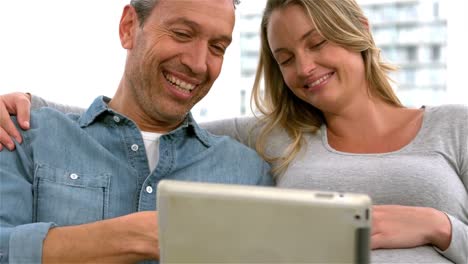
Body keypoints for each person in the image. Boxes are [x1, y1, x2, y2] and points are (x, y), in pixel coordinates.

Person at [0, 0, 467, 263]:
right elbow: (141, 124)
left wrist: (439, 226)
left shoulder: (455, 126)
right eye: (285, 59)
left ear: (360, 31)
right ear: (129, 26)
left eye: (317, 43)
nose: (305, 67)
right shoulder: (273, 141)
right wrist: (26, 104)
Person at [0, 0, 274, 263]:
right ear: (128, 27)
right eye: (182, 34)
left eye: (217, 47)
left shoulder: (249, 175)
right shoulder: (24, 137)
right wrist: (137, 236)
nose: (199, 64)